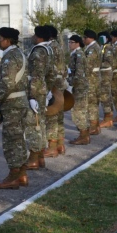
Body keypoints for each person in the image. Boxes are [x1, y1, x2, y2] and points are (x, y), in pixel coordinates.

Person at [0, 27, 29, 189]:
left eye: (1, 38)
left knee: (11, 141)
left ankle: (14, 175)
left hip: (12, 104)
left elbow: (7, 83)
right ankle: (22, 174)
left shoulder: (9, 57)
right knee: (19, 139)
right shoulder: (20, 54)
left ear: (7, 40)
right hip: (20, 101)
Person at [23, 25, 53, 171]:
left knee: (33, 124)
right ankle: (40, 157)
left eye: (35, 35)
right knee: (40, 123)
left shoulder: (38, 52)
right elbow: (50, 73)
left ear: (39, 37)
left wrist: (32, 96)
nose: (33, 37)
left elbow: (36, 75)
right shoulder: (49, 50)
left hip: (35, 91)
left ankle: (34, 158)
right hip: (43, 89)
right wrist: (48, 91)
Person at [43, 26, 68, 158]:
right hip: (60, 84)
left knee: (51, 115)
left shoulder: (49, 47)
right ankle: (60, 144)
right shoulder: (58, 46)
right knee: (58, 116)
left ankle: (52, 147)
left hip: (53, 85)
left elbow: (50, 69)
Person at [67, 34, 91, 146]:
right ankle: (84, 135)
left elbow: (79, 73)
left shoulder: (79, 54)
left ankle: (84, 136)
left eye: (72, 42)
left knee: (78, 111)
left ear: (77, 43)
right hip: (78, 86)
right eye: (69, 42)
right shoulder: (74, 54)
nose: (69, 44)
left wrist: (71, 83)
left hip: (79, 87)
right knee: (79, 111)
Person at [82, 29, 102, 136]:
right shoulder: (92, 48)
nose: (83, 40)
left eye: (85, 38)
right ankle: (95, 125)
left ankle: (94, 127)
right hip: (93, 78)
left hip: (91, 79)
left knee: (92, 103)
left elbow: (88, 66)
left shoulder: (92, 49)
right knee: (92, 103)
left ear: (90, 38)